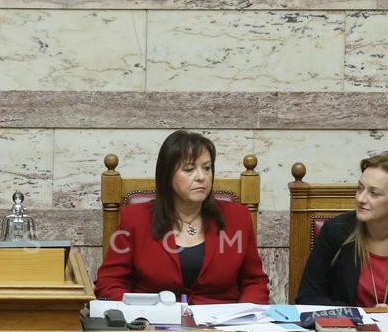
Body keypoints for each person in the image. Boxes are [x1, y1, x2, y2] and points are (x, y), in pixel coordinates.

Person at [94, 130, 269, 305]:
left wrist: (245, 314)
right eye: (189, 169)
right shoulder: (135, 219)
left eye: (206, 168)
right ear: (168, 176)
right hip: (155, 318)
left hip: (223, 319)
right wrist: (140, 314)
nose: (201, 177)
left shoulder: (237, 218)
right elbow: (109, 282)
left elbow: (254, 281)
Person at [295, 151, 388, 307]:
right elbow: (308, 297)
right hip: (349, 323)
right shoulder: (336, 231)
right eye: (360, 188)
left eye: (374, 193)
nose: (360, 199)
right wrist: (362, 315)